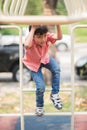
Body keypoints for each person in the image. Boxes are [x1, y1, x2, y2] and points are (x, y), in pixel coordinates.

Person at [23, 25, 63, 116]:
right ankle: (39, 106)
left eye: (44, 36)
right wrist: (33, 28)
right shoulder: (30, 40)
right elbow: (26, 45)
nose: (43, 39)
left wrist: (58, 25)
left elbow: (59, 37)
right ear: (33, 36)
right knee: (41, 87)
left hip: (45, 59)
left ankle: (55, 94)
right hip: (33, 64)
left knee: (56, 69)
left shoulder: (46, 36)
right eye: (39, 37)